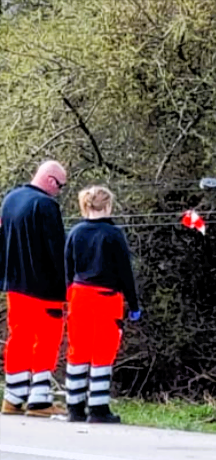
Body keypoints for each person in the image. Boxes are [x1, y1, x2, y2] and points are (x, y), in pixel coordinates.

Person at [61, 186, 141, 423]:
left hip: (78, 295)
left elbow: (67, 269)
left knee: (78, 350)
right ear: (107, 205)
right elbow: (125, 272)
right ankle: (98, 408)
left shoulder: (74, 233)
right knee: (103, 351)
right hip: (106, 297)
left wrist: (67, 296)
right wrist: (134, 303)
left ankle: (74, 406)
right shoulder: (113, 234)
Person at [1, 160, 68, 417]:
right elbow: (57, 250)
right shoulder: (47, 205)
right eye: (60, 186)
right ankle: (39, 399)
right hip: (44, 287)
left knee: (18, 338)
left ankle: (13, 396)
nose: (59, 191)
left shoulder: (10, 199)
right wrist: (67, 284)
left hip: (14, 284)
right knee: (47, 340)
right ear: (51, 181)